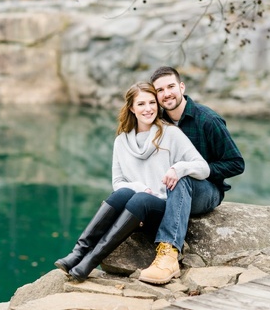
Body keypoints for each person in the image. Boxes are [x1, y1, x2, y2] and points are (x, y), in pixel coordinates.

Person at [54, 82, 210, 282]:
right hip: (137, 208)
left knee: (140, 199)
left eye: (152, 103)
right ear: (131, 108)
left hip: (163, 207)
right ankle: (78, 252)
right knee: (124, 193)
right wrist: (139, 187)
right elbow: (118, 182)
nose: (148, 109)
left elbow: (203, 168)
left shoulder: (170, 133)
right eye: (142, 104)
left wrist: (178, 169)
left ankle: (90, 261)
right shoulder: (122, 141)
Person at [138, 66, 245, 284]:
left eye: (170, 87)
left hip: (206, 190)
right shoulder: (157, 121)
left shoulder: (207, 120)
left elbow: (236, 164)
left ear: (181, 87)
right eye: (160, 90)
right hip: (165, 189)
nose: (166, 93)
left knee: (182, 176)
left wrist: (194, 169)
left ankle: (169, 255)